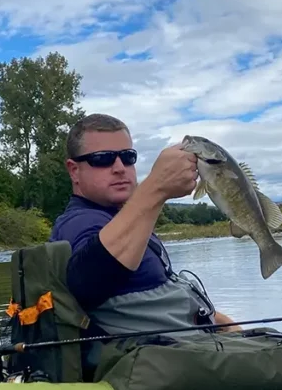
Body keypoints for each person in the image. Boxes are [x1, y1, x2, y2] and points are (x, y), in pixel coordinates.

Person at [49, 113, 242, 342]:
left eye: (128, 157)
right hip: (170, 361)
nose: (120, 167)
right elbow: (86, 282)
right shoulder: (79, 221)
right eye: (102, 159)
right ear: (74, 171)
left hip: (202, 347)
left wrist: (226, 324)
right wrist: (156, 188)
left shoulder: (127, 222)